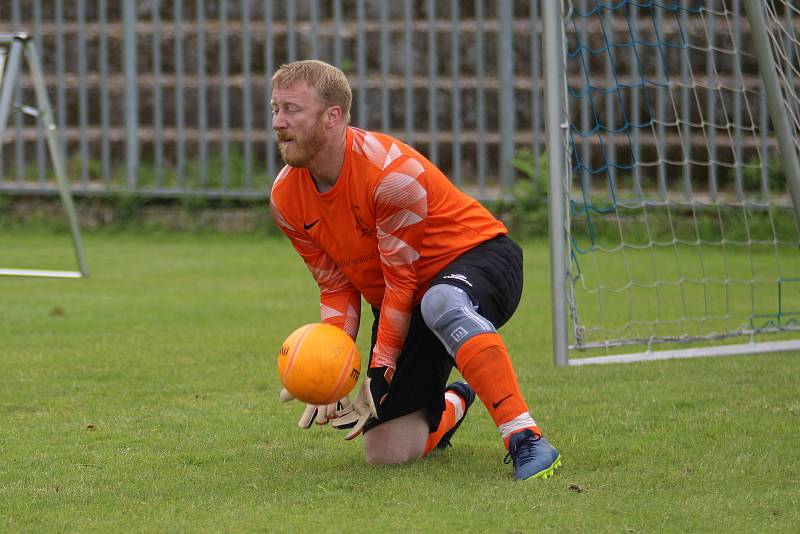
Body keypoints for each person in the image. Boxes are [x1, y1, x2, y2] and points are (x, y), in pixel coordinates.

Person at [269, 59, 561, 481]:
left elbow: (402, 281)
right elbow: (336, 289)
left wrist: (379, 373)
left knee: (440, 301)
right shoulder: (285, 197)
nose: (278, 122)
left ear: (333, 116)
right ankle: (458, 399)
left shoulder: (389, 175)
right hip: (405, 300)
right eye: (275, 109)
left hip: (480, 260)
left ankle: (525, 438)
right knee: (386, 452)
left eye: (291, 109)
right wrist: (330, 368)